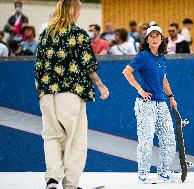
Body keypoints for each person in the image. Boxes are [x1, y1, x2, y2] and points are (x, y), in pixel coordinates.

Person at [35, 0, 109, 188]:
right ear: (74, 11)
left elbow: (39, 65)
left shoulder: (45, 34)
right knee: (75, 140)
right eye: (79, 9)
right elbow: (87, 64)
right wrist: (100, 84)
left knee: (52, 138)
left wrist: (43, 90)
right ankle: (71, 185)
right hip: (71, 92)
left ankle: (52, 180)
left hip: (47, 94)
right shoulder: (78, 34)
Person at [122, 26, 178, 183]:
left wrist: (171, 96)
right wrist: (140, 89)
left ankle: (164, 172)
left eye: (157, 36)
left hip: (161, 103)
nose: (154, 39)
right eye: (151, 36)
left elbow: (163, 79)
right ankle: (143, 173)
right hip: (145, 104)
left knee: (168, 139)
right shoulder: (143, 56)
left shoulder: (161, 58)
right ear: (147, 40)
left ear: (161, 39)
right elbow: (126, 72)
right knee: (146, 140)